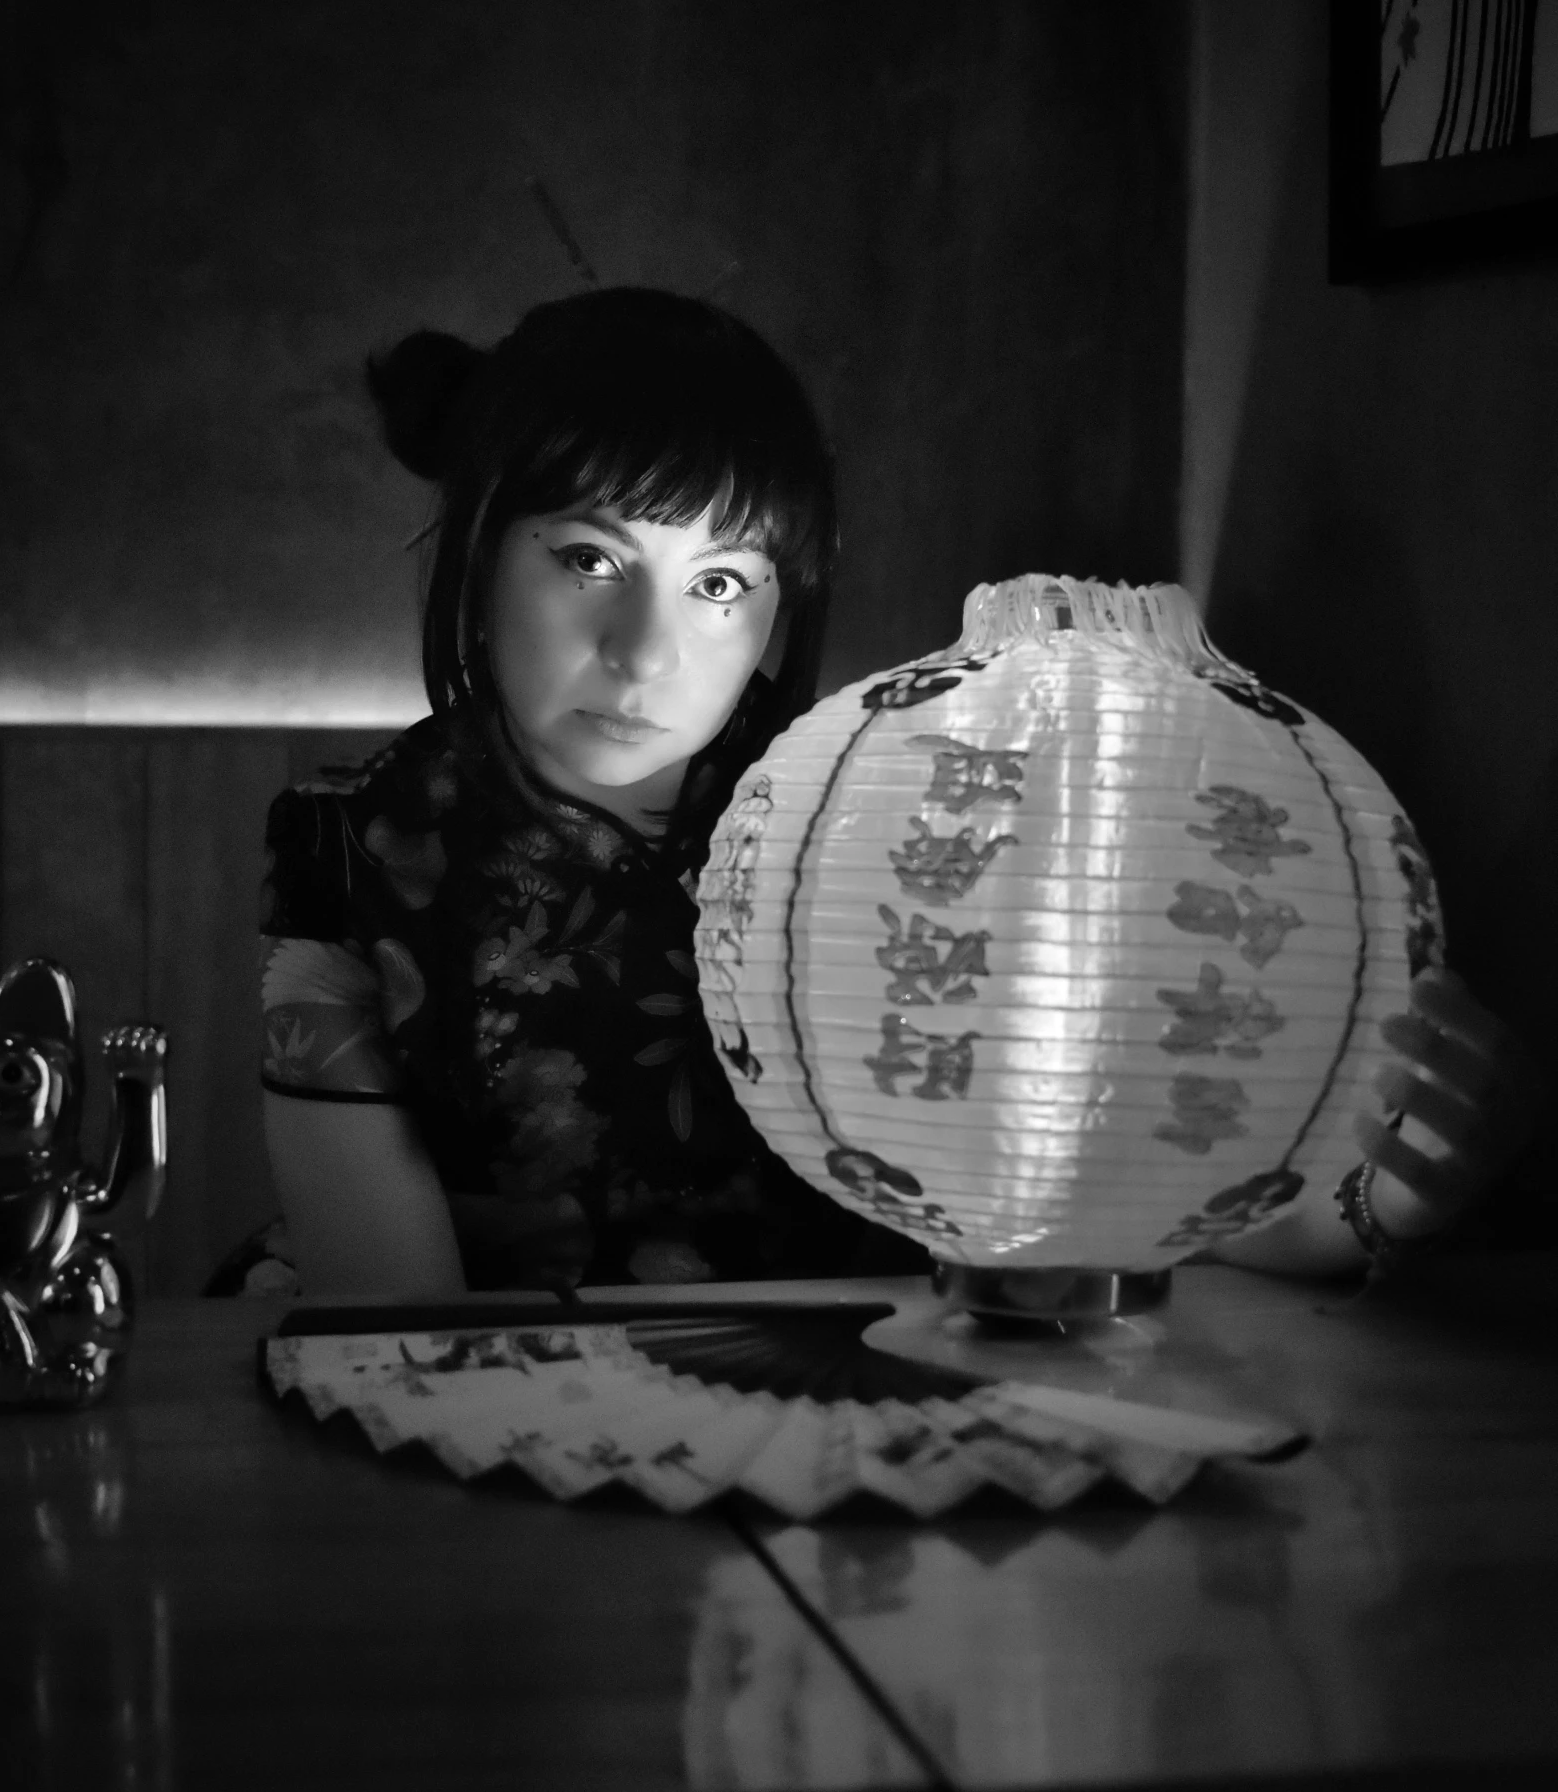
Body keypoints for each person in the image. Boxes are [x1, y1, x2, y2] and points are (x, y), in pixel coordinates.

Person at [252, 287, 1535, 1299]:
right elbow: (388, 1311)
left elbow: (1110, 1170)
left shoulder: (884, 819)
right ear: (479, 555)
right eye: (588, 557)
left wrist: (1389, 1189)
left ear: (780, 606)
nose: (645, 652)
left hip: (862, 1395)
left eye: (719, 583)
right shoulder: (355, 850)